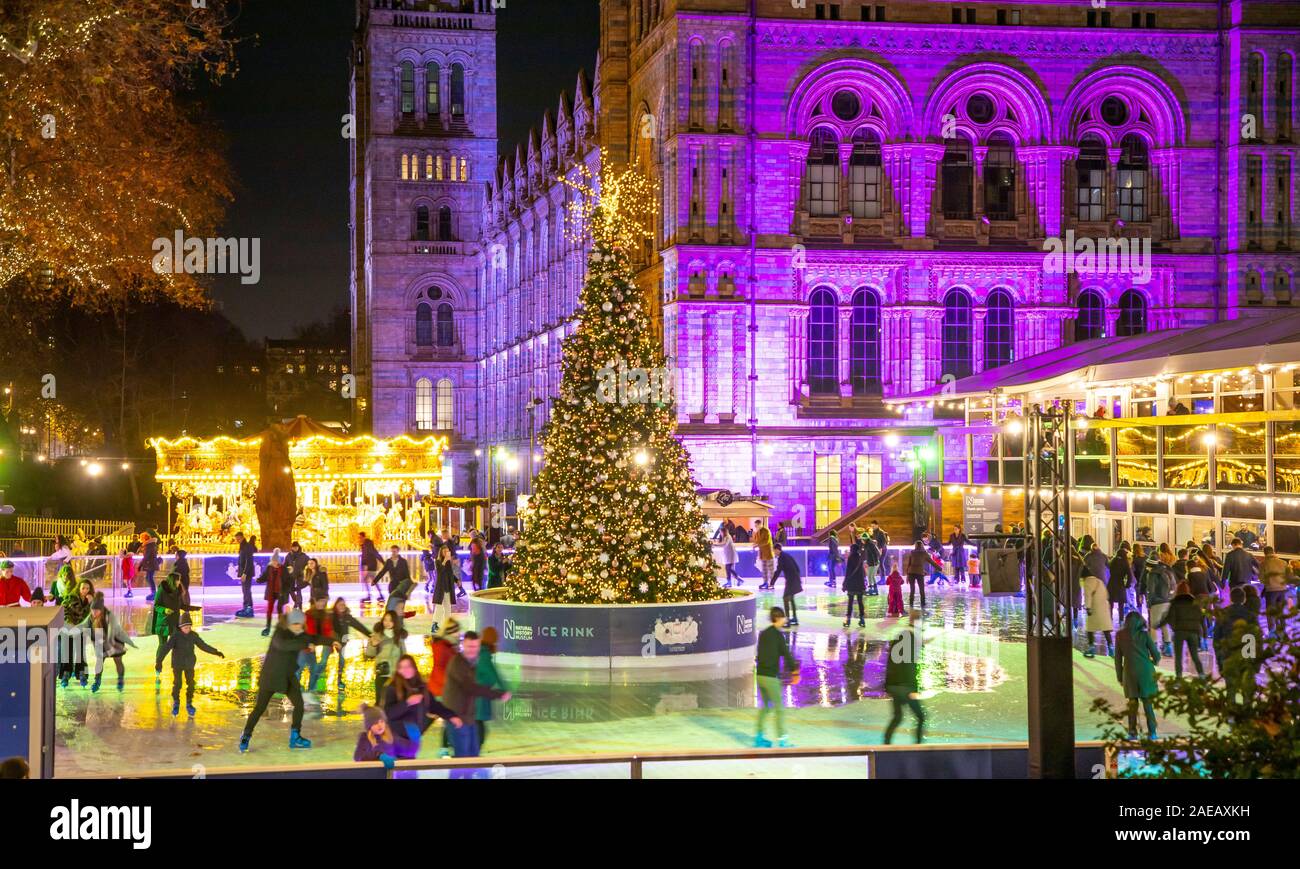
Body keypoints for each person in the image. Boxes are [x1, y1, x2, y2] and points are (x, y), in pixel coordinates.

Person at [239, 610, 338, 753]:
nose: (298, 627)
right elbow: (284, 646)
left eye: (300, 624)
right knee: (260, 708)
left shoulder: (301, 635)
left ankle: (295, 736)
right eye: (295, 624)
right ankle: (246, 735)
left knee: (299, 705)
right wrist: (305, 644)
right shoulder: (280, 633)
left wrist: (331, 641)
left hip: (287, 677)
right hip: (271, 676)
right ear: (289, 623)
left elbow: (313, 637)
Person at [441, 631, 510, 770]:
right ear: (463, 646)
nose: (472, 650)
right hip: (457, 718)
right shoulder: (457, 663)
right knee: (463, 761)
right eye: (469, 647)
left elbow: (489, 677)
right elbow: (470, 688)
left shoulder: (473, 663)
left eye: (475, 647)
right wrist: (497, 694)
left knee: (473, 758)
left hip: (469, 717)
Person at [383, 653, 460, 758]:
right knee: (399, 770)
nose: (405, 670)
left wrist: (451, 716)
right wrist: (407, 703)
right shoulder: (392, 688)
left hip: (413, 737)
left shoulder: (422, 688)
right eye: (402, 667)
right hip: (396, 738)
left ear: (414, 668)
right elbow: (388, 714)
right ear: (398, 670)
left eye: (408, 666)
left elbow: (434, 706)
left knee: (410, 770)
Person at [157, 611, 224, 716]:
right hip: (177, 664)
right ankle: (176, 702)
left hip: (189, 664)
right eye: (185, 628)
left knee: (191, 683)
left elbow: (203, 646)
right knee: (177, 684)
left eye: (189, 627)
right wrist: (159, 661)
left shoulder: (193, 635)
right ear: (180, 627)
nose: (188, 630)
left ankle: (189, 703)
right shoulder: (175, 636)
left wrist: (215, 652)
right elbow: (166, 648)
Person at [754, 606, 799, 748]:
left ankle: (759, 737)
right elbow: (786, 654)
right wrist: (795, 671)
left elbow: (760, 653)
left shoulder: (764, 633)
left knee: (766, 707)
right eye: (784, 617)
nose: (785, 619)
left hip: (760, 675)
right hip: (771, 677)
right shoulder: (778, 636)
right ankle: (783, 740)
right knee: (779, 708)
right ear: (778, 618)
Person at [1113, 611, 1161, 739]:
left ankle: (1132, 732)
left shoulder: (1119, 635)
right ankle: (1152, 732)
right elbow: (1156, 655)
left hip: (1129, 673)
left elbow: (1117, 658)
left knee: (1132, 704)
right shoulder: (1144, 635)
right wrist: (1152, 662)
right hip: (1146, 672)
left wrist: (1119, 675)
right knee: (1147, 703)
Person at [78, 593, 137, 692]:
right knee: (99, 661)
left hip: (115, 641)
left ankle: (120, 679)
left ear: (101, 610)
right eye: (92, 610)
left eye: (96, 611)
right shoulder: (91, 617)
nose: (94, 613)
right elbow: (83, 625)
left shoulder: (110, 616)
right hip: (102, 642)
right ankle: (97, 681)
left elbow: (112, 632)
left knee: (117, 661)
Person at [883, 610, 926, 744]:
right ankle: (918, 747)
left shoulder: (901, 636)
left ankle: (886, 744)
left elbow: (891, 662)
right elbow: (909, 665)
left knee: (898, 717)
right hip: (904, 686)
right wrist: (913, 688)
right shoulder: (911, 638)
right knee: (920, 717)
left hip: (894, 684)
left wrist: (888, 685)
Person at [152, 572, 200, 675]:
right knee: (163, 645)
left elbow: (181, 605)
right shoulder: (162, 590)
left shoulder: (178, 591)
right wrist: (165, 610)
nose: (179, 582)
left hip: (174, 622)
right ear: (172, 581)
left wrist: (193, 608)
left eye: (179, 580)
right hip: (163, 622)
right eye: (177, 580)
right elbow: (156, 605)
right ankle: (158, 665)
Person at [319, 597, 371, 691]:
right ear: (336, 606)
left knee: (342, 662)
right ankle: (320, 682)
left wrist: (370, 635)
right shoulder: (330, 616)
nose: (342, 606)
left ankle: (339, 681)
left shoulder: (347, 617)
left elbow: (359, 626)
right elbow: (324, 628)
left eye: (343, 604)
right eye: (340, 604)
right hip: (329, 641)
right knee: (323, 661)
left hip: (342, 642)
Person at [1157, 582, 1206, 678]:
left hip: (1179, 632)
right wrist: (1203, 634)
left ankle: (1179, 678)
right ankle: (1202, 676)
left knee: (1178, 657)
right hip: (1193, 632)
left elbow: (1169, 617)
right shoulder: (1195, 602)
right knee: (1195, 656)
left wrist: (1159, 625)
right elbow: (1201, 618)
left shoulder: (1175, 602)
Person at [475, 626, 509, 748]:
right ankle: (474, 750)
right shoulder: (484, 654)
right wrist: (504, 689)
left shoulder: (481, 651)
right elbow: (493, 674)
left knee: (478, 723)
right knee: (478, 723)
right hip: (480, 695)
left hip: (478, 693)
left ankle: (474, 748)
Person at [364, 610, 407, 705]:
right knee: (380, 701)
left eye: (390, 620)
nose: (387, 623)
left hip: (395, 674)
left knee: (394, 701)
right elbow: (369, 654)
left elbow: (404, 655)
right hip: (382, 673)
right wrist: (373, 645)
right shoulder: (377, 635)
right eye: (385, 620)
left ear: (395, 622)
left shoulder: (399, 637)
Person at [59, 579, 95, 687]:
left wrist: (91, 603)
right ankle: (66, 673)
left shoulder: (90, 600)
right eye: (83, 588)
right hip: (68, 628)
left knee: (80, 651)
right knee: (67, 651)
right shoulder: (71, 598)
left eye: (87, 588)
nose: (85, 590)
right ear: (79, 588)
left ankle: (81, 672)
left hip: (81, 629)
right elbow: (68, 611)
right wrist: (69, 623)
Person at [354, 703, 411, 768]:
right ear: (369, 726)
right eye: (375, 723)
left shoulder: (391, 737)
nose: (380, 725)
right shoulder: (364, 738)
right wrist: (379, 755)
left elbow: (408, 750)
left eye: (382, 721)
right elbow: (358, 757)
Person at [1144, 548, 1176, 656]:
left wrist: (1148, 603)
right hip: (1168, 601)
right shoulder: (1166, 570)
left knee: (1153, 626)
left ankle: (1154, 649)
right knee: (1164, 624)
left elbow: (1150, 590)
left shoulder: (1152, 574)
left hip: (1157, 603)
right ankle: (1168, 648)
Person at [1258, 545, 1295, 637]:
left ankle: (1272, 633)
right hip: (1283, 590)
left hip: (1271, 591)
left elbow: (1261, 578)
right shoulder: (1283, 562)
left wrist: (1269, 583)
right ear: (1273, 552)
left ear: (1265, 553)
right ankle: (1283, 632)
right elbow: (1289, 576)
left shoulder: (1263, 564)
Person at [1080, 567, 1113, 657]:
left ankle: (1091, 647)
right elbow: (1107, 594)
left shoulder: (1087, 582)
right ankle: (1111, 648)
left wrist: (1088, 608)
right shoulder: (1099, 581)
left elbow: (1088, 597)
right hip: (1104, 607)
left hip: (1094, 609)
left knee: (1090, 628)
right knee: (1106, 629)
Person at [257, 549, 290, 636]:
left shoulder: (283, 569)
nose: (274, 563)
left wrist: (286, 590)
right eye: (273, 561)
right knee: (269, 610)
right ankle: (267, 627)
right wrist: (259, 580)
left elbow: (288, 581)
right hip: (271, 592)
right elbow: (264, 577)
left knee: (279, 609)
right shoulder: (269, 568)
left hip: (281, 592)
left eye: (276, 561)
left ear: (279, 561)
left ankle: (281, 627)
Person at [770, 543, 802, 626]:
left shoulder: (782, 558)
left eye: (774, 551)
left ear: (777, 550)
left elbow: (778, 571)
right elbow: (797, 567)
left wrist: (772, 582)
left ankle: (787, 620)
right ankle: (795, 618)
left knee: (785, 598)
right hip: (794, 578)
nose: (774, 552)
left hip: (791, 580)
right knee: (791, 598)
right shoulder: (786, 555)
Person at [429, 617, 460, 701]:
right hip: (440, 691)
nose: (459, 633)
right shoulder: (441, 647)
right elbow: (438, 669)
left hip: (444, 690)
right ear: (451, 632)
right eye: (456, 631)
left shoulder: (450, 646)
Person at [375, 546, 413, 613]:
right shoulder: (389, 561)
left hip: (401, 585)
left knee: (400, 603)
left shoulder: (403, 561)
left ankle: (398, 616)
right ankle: (392, 615)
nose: (393, 553)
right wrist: (375, 580)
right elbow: (383, 571)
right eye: (392, 551)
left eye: (394, 551)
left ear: (398, 551)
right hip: (392, 585)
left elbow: (407, 573)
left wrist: (409, 584)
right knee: (392, 602)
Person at [1107, 542, 1134, 623]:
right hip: (1120, 584)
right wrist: (1127, 585)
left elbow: (1108, 570)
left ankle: (1110, 618)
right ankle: (1121, 620)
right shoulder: (1125, 563)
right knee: (1121, 603)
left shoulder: (1112, 561)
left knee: (1110, 603)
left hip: (1111, 584)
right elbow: (1130, 575)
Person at [430, 544, 457, 625]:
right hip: (441, 588)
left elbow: (450, 574)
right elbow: (440, 572)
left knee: (448, 608)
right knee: (439, 608)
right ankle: (435, 626)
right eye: (444, 551)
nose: (446, 553)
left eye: (447, 551)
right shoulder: (437, 561)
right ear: (441, 552)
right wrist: (445, 560)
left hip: (448, 588)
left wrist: (456, 580)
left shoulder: (448, 562)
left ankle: (447, 625)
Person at [842, 539, 866, 628]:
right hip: (859, 584)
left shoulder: (850, 558)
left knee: (850, 602)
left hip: (852, 584)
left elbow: (848, 572)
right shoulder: (860, 558)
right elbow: (862, 572)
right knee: (860, 602)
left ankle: (848, 620)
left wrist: (844, 584)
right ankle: (862, 620)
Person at [234, 532, 256, 618]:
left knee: (247, 590)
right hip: (243, 572)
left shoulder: (247, 547)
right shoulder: (243, 546)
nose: (237, 541)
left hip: (247, 573)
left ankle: (249, 608)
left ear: (242, 537)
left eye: (238, 539)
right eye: (236, 539)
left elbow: (248, 561)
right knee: (245, 590)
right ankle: (246, 607)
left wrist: (245, 573)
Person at [903, 541, 930, 610]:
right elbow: (931, 562)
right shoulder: (924, 553)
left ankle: (911, 605)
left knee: (912, 590)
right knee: (922, 590)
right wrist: (939, 568)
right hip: (920, 573)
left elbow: (909, 565)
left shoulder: (912, 552)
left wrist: (907, 575)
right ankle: (923, 605)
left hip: (911, 573)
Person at [284, 541, 310, 609]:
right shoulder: (289, 555)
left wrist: (308, 569)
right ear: (292, 547)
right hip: (291, 576)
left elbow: (310, 562)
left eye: (296, 547)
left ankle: (300, 604)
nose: (295, 548)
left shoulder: (303, 556)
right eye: (293, 547)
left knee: (299, 590)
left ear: (298, 547)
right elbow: (285, 565)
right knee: (290, 590)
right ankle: (296, 601)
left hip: (299, 575)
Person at [359, 532, 382, 602]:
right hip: (370, 565)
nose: (359, 539)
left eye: (360, 537)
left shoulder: (367, 544)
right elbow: (365, 555)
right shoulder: (364, 545)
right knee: (372, 580)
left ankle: (370, 596)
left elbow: (374, 553)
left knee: (367, 580)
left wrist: (383, 562)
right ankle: (379, 595)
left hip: (371, 565)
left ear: (363, 537)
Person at [753, 518, 775, 590]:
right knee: (764, 570)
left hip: (768, 554)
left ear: (760, 524)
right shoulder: (757, 532)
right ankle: (765, 583)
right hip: (762, 554)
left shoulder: (766, 531)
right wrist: (754, 545)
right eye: (755, 526)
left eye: (757, 525)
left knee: (770, 570)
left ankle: (771, 584)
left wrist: (757, 545)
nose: (756, 527)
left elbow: (766, 541)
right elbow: (756, 541)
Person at [862, 531, 882, 595]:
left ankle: (871, 590)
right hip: (873, 562)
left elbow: (875, 554)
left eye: (862, 539)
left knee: (870, 576)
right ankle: (875, 590)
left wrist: (874, 563)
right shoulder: (868, 544)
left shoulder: (869, 545)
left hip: (873, 563)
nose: (861, 541)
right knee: (872, 576)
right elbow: (871, 554)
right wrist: (867, 561)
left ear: (864, 539)